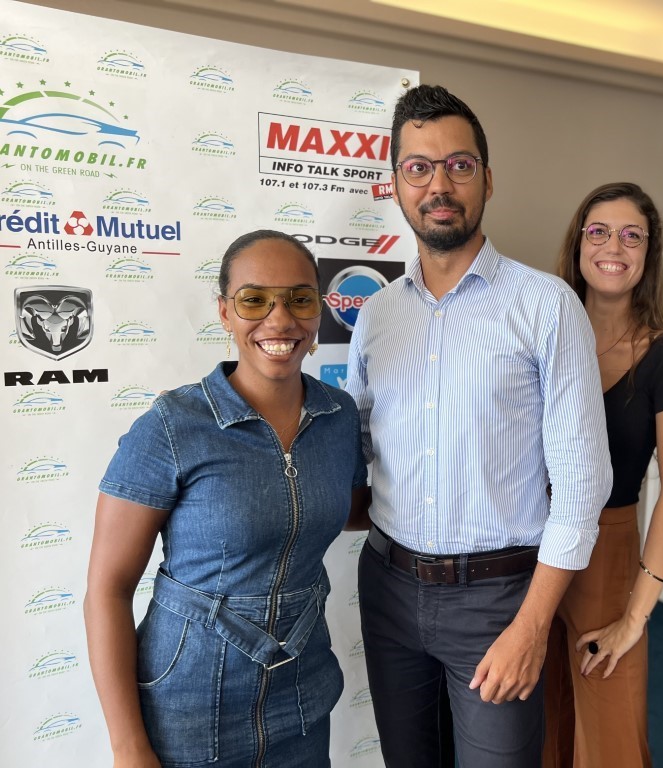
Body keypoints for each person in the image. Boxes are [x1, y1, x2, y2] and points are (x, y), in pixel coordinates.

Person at [345, 84, 612, 768]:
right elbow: (360, 452)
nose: (439, 185)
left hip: (500, 601)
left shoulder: (545, 306)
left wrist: (533, 624)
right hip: (389, 589)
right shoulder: (376, 316)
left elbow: (582, 486)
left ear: (487, 180)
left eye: (458, 166)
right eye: (419, 168)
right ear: (396, 185)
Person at [84, 230, 368, 767]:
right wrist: (128, 747)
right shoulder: (173, 426)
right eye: (254, 300)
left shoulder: (339, 415)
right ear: (224, 312)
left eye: (299, 298)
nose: (279, 319)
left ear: (319, 309)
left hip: (303, 698)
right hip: (189, 707)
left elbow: (354, 509)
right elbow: (108, 590)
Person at [543, 182, 663, 767]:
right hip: (525, 545)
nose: (614, 246)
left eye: (632, 235)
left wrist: (635, 617)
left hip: (606, 552)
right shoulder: (542, 336)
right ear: (578, 243)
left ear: (648, 253)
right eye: (600, 232)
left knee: (610, 737)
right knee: (536, 723)